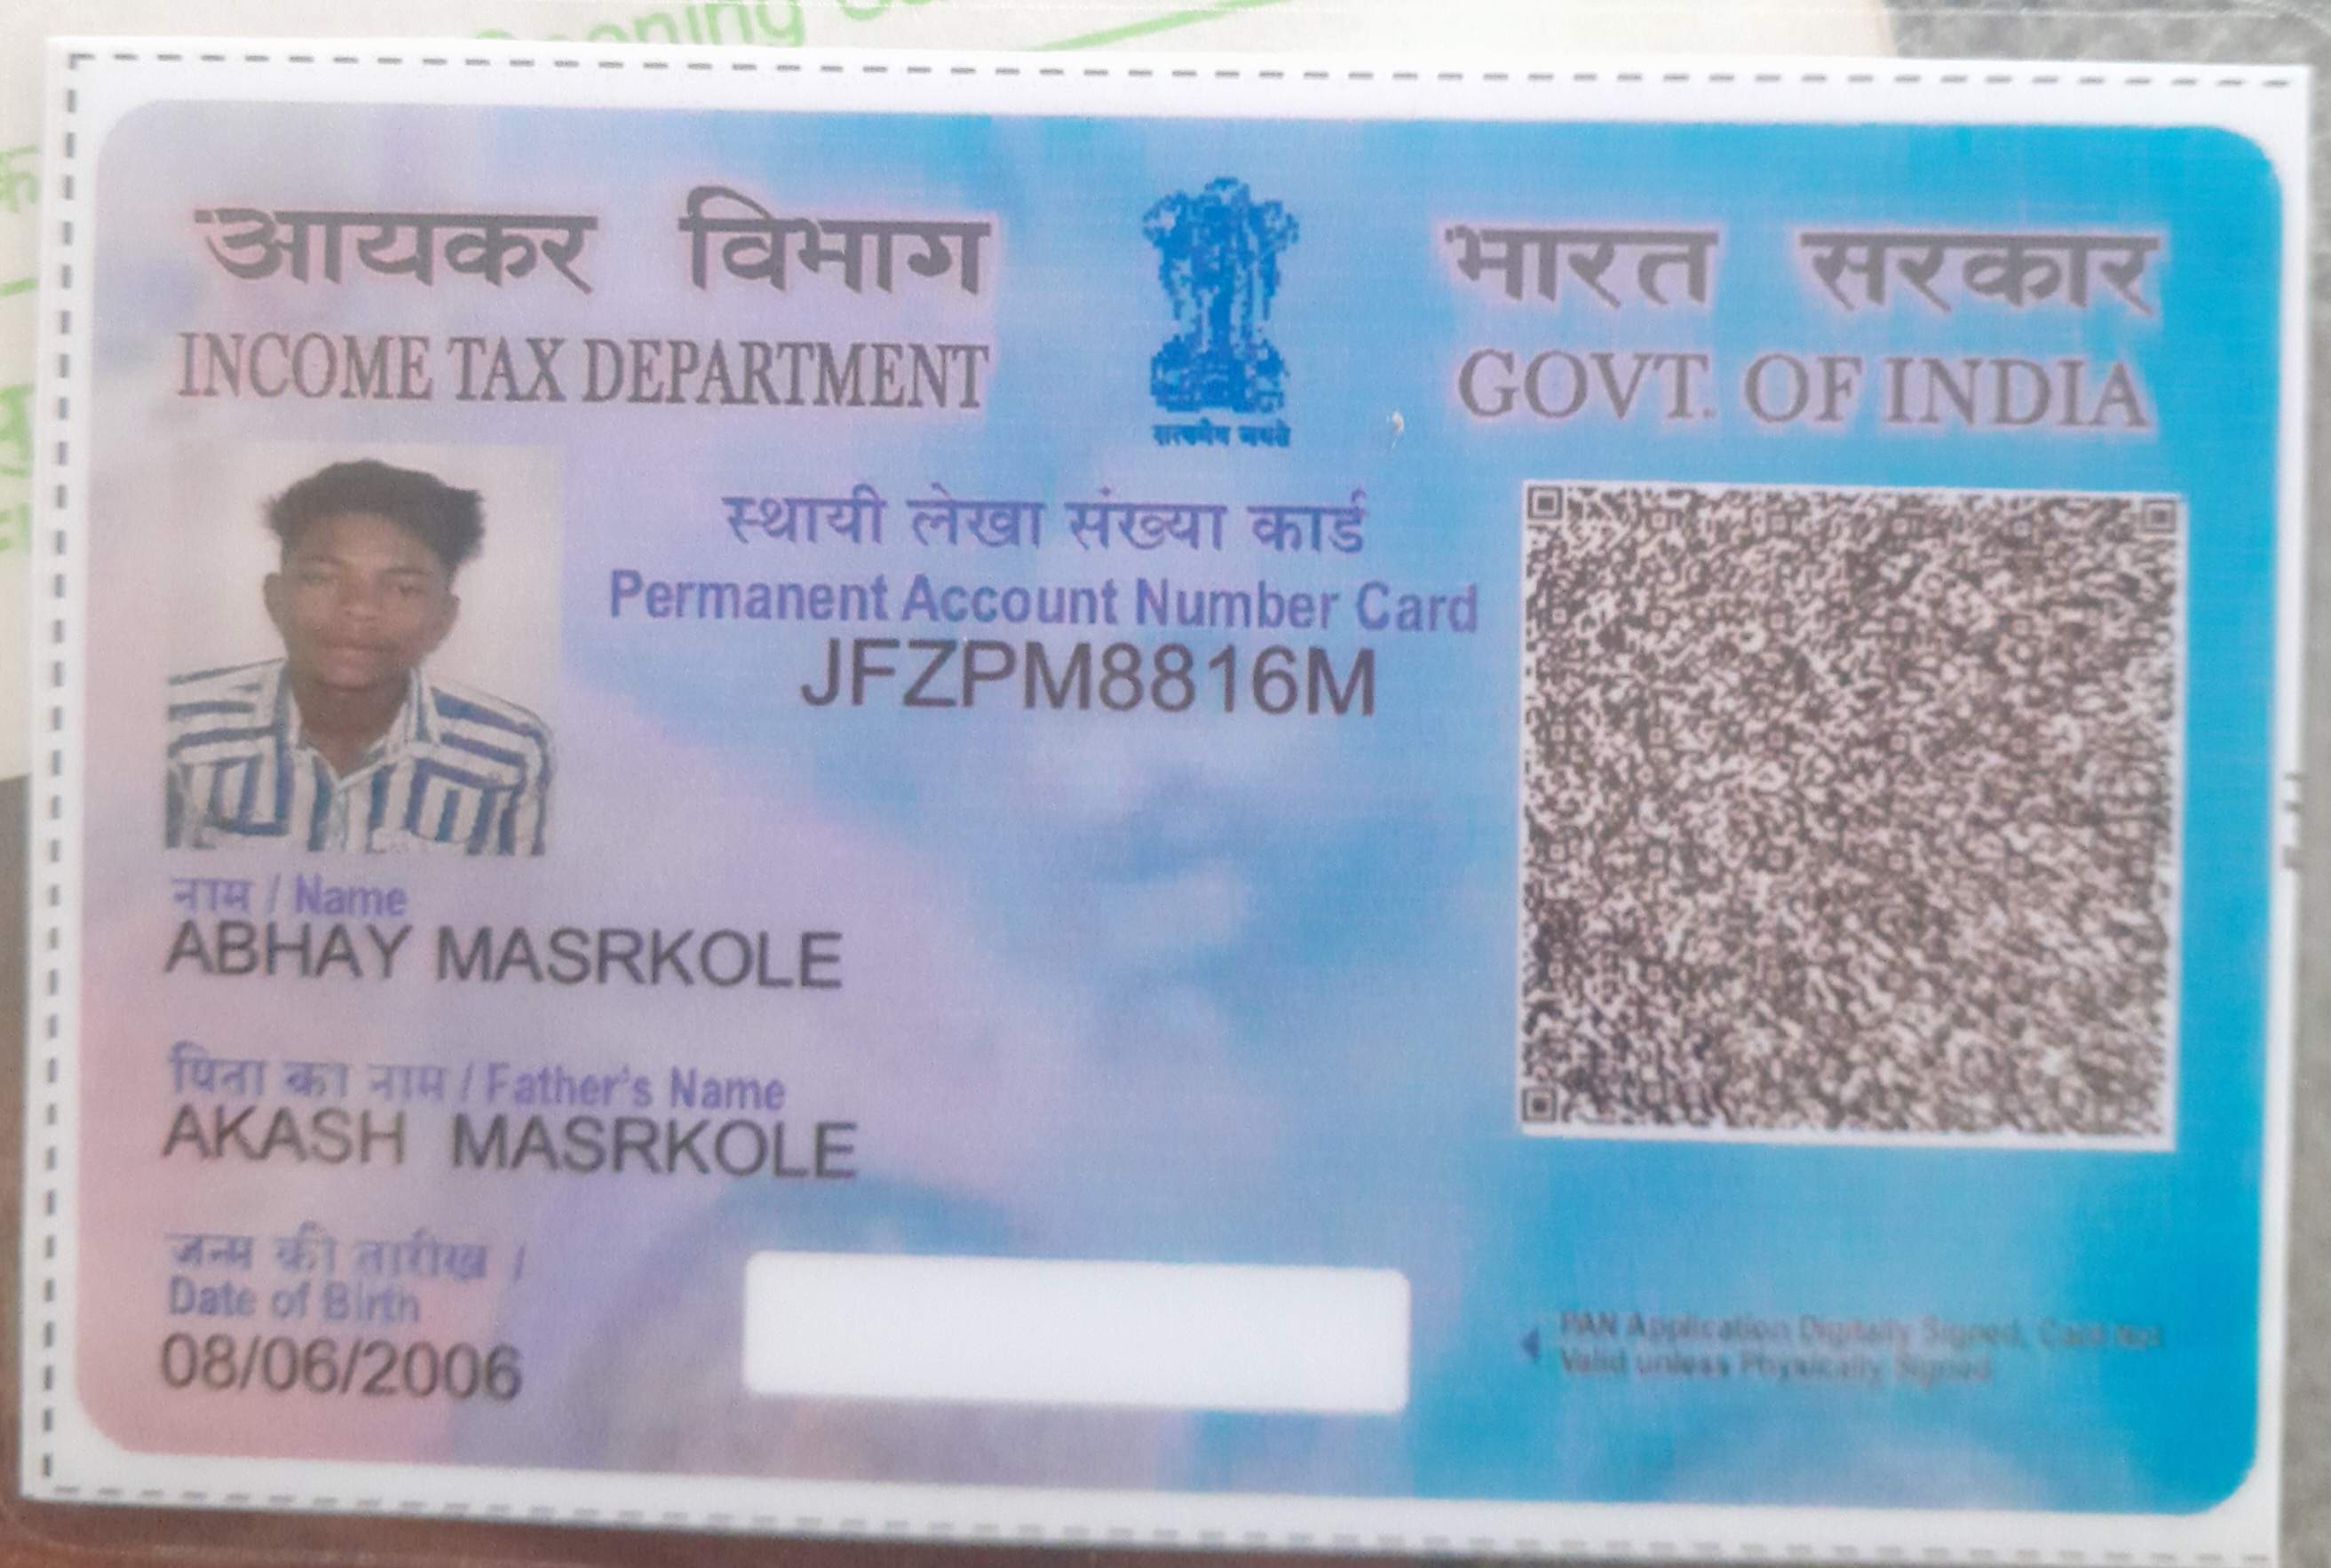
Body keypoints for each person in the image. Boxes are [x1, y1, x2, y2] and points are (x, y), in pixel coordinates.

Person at [165, 459, 551, 854]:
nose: (359, 608)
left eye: (403, 589)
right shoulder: (178, 726)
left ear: (443, 619)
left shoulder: (509, 757)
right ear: (275, 599)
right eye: (323, 579)